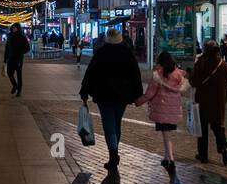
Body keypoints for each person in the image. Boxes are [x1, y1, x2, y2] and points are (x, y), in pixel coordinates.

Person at [79, 28, 143, 171]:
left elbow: (91, 73)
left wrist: (84, 92)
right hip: (122, 96)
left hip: (104, 95)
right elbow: (135, 75)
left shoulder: (101, 53)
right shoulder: (127, 53)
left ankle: (113, 154)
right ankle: (114, 150)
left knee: (109, 124)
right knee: (116, 123)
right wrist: (137, 94)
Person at [136, 51, 189, 176]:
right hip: (173, 111)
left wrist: (139, 101)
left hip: (161, 110)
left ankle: (171, 160)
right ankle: (166, 158)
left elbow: (150, 93)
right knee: (167, 135)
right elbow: (181, 92)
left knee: (166, 136)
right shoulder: (178, 75)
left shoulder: (158, 75)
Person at [190, 39, 227, 165]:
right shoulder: (222, 63)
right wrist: (224, 100)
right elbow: (226, 84)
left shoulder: (201, 62)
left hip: (203, 100)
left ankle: (203, 155)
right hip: (218, 101)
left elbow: (194, 81)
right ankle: (224, 148)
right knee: (218, 127)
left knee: (202, 129)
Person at [4, 23, 30, 97]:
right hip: (10, 58)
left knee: (19, 75)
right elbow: (7, 48)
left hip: (18, 59)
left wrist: (21, 52)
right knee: (9, 72)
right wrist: (5, 58)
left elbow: (27, 48)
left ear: (18, 28)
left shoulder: (22, 37)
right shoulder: (10, 36)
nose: (14, 29)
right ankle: (15, 85)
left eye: (15, 27)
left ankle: (19, 90)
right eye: (13, 27)